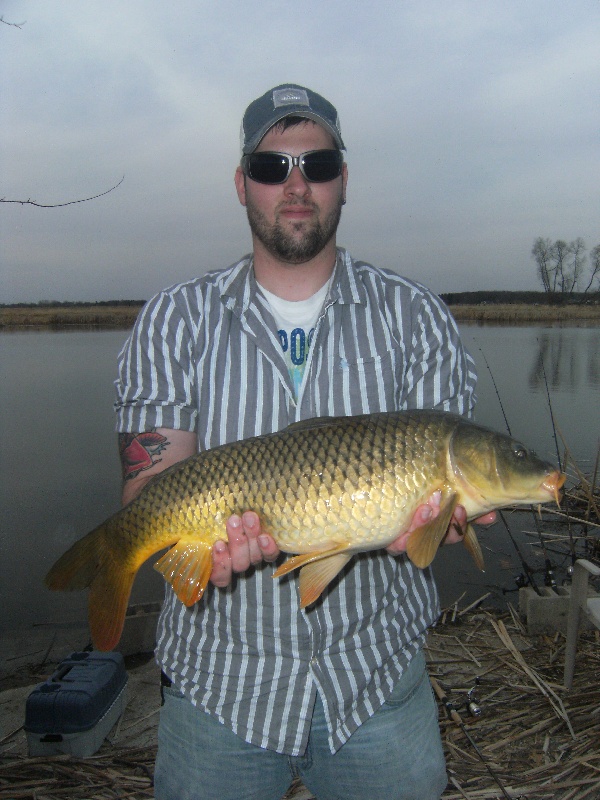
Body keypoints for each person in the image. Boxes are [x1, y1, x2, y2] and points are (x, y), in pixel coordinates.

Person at [115, 84, 494, 800]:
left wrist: (445, 523)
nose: (295, 185)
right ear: (241, 184)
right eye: (271, 166)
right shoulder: (173, 321)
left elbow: (445, 492)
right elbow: (147, 490)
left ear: (344, 180)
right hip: (219, 688)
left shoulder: (416, 318)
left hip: (375, 680)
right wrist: (192, 557)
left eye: (317, 166)